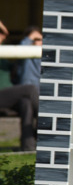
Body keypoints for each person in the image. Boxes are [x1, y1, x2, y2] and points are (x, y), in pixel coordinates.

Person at [0, 20, 39, 152]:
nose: (2, 36)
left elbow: (5, 34)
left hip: (8, 96)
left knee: (26, 103)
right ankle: (48, 122)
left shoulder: (5, 52)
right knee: (30, 89)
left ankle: (28, 148)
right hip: (2, 94)